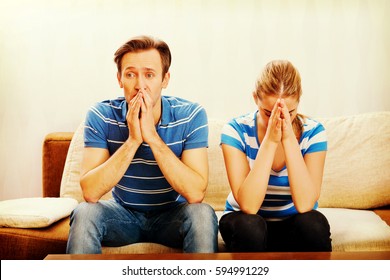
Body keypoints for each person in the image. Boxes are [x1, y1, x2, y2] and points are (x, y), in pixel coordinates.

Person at [66, 35, 218, 254]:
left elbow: (195, 193)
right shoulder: (101, 115)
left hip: (171, 216)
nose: (140, 85)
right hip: (122, 215)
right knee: (84, 212)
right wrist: (134, 140)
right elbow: (90, 192)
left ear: (165, 79)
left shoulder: (191, 115)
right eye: (130, 74)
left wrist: (152, 137)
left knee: (202, 213)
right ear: (119, 79)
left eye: (149, 75)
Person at [219, 60, 332, 252]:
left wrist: (288, 140)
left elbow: (305, 204)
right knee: (251, 227)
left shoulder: (314, 132)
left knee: (314, 224)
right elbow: (249, 205)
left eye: (290, 112)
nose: (279, 119)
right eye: (268, 113)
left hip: (293, 221)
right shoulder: (235, 130)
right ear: (255, 97)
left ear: (299, 101)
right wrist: (270, 142)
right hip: (245, 220)